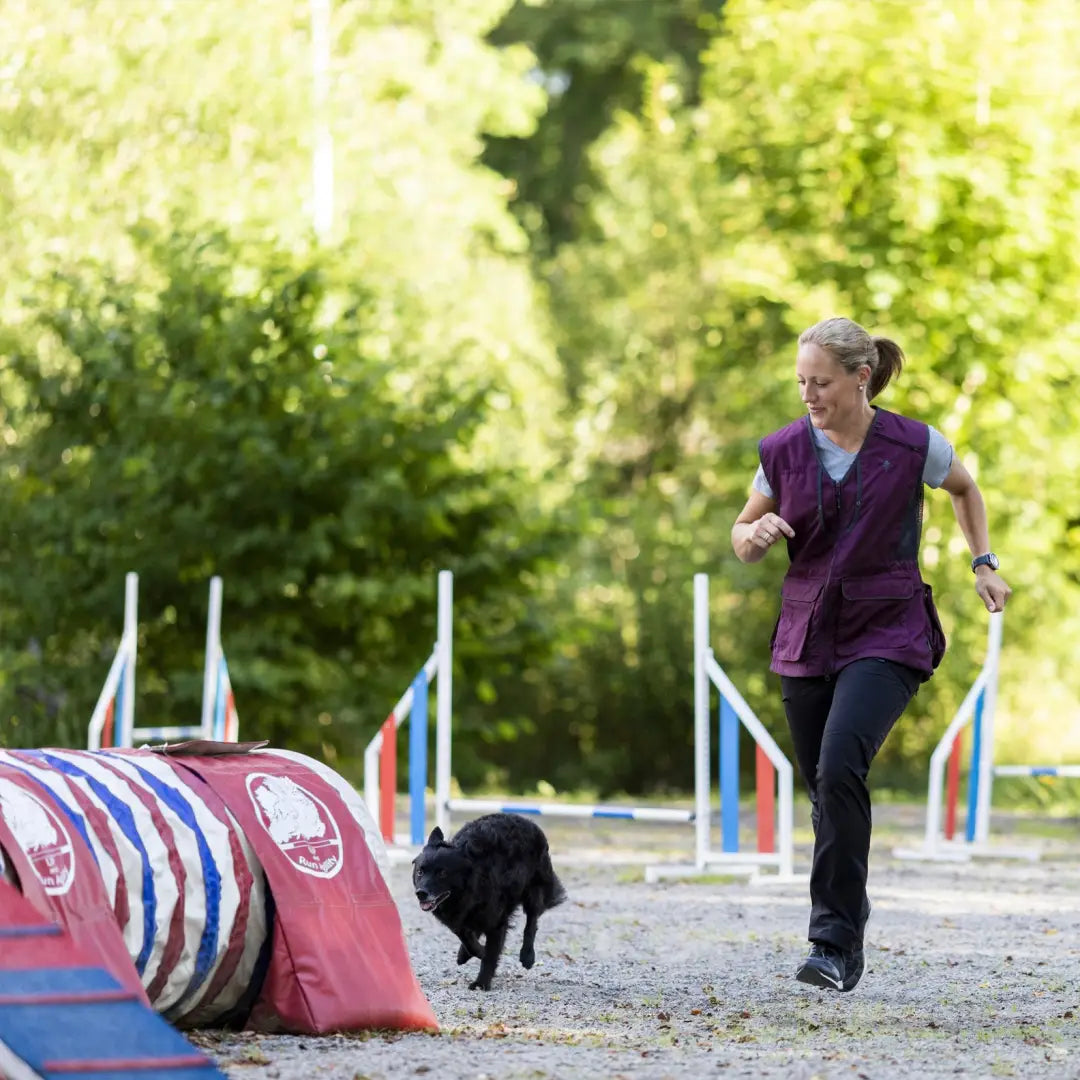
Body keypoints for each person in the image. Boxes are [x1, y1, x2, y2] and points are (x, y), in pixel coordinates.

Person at [730, 316, 1011, 993]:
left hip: (887, 630)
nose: (808, 395)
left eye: (820, 382)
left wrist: (983, 562)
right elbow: (741, 534)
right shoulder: (781, 451)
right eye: (801, 381)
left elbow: (966, 489)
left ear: (861, 378)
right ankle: (848, 905)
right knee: (827, 794)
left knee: (839, 766)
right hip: (807, 635)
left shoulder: (914, 444)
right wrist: (755, 531)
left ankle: (833, 944)